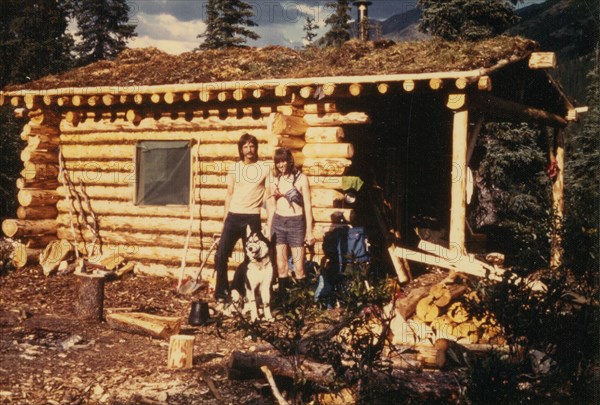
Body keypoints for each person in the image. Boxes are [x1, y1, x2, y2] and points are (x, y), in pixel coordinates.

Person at [213, 133, 270, 303]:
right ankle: (221, 293)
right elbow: (229, 194)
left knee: (251, 258)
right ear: (241, 149)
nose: (249, 149)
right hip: (233, 216)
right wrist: (224, 221)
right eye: (245, 147)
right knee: (221, 255)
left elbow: (268, 195)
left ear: (256, 148)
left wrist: (268, 220)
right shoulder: (234, 168)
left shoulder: (265, 168)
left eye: (252, 146)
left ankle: (239, 289)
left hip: (252, 217)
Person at [266, 148, 315, 300]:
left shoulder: (301, 178)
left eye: (283, 161)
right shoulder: (274, 180)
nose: (281, 165)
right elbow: (272, 206)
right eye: (278, 162)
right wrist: (268, 229)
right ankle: (283, 302)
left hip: (296, 224)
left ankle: (301, 304)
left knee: (299, 267)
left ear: (290, 160)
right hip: (279, 223)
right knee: (281, 266)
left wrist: (309, 231)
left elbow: (307, 205)